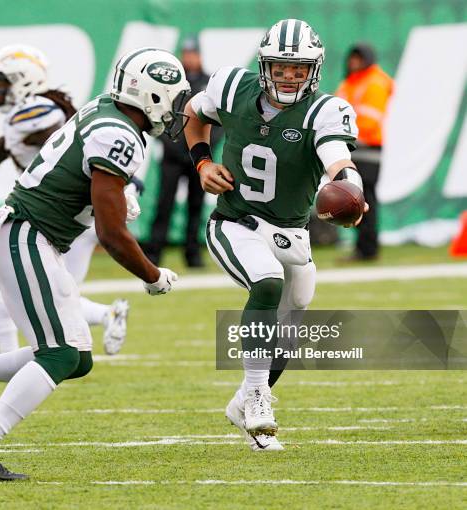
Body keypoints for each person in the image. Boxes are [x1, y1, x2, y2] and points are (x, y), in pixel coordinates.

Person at [0, 47, 190, 481]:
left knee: (78, 358)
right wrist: (153, 274)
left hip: (33, 236)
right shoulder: (119, 133)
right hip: (27, 235)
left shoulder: (108, 111)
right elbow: (110, 234)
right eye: (173, 98)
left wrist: (117, 191)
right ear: (152, 95)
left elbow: (79, 171)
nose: (176, 109)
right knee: (61, 353)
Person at [184, 19, 367, 451]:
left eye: (298, 69)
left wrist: (352, 192)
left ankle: (241, 402)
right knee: (266, 282)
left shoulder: (324, 110)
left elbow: (338, 161)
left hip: (290, 230)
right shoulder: (231, 86)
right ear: (265, 65)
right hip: (235, 221)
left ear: (314, 70)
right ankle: (259, 398)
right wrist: (202, 163)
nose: (288, 76)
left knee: (293, 315)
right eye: (281, 67)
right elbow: (193, 116)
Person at [0, 45, 139, 355]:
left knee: (50, 291)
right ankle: (101, 318)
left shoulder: (38, 113)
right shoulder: (39, 111)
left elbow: (65, 143)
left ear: (22, 80)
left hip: (71, 215)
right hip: (67, 211)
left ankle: (92, 325)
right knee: (21, 281)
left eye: (2, 82)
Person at [145, 37, 220, 267]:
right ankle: (154, 253)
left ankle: (192, 254)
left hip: (198, 157)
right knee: (163, 203)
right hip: (172, 156)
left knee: (195, 206)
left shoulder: (210, 83)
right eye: (186, 53)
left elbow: (218, 120)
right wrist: (169, 143)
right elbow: (158, 113)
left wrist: (206, 148)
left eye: (193, 53)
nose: (189, 58)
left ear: (199, 55)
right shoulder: (173, 83)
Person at [336, 43, 393, 261]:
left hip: (367, 149)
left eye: (358, 59)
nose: (353, 63)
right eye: (352, 58)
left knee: (365, 199)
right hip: (354, 148)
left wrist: (345, 133)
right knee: (355, 199)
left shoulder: (374, 82)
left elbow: (370, 119)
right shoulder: (351, 83)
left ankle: (368, 249)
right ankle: (362, 248)